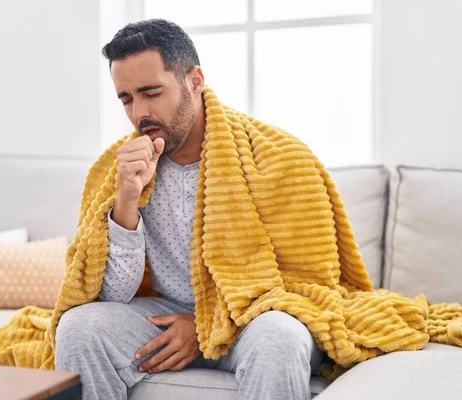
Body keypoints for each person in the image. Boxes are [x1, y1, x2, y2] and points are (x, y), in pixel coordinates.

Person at [54, 19, 323, 400]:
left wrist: (203, 326)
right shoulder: (112, 170)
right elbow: (112, 296)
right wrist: (126, 200)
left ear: (194, 80)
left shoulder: (282, 158)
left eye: (151, 92)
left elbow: (309, 289)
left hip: (254, 318)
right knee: (78, 327)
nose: (139, 113)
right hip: (161, 315)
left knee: (280, 337)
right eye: (127, 98)